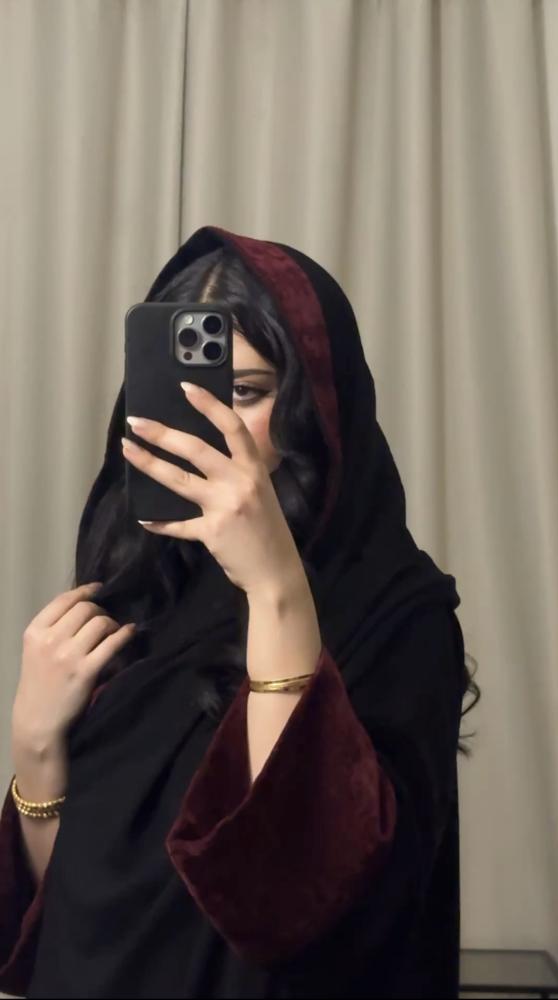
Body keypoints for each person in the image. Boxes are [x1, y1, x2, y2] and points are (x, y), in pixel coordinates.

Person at [0, 226, 479, 999]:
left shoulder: (398, 615)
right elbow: (78, 916)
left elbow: (310, 901)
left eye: (247, 392)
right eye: (185, 393)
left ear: (313, 403)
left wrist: (274, 588)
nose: (210, 424)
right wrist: (34, 747)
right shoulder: (140, 592)